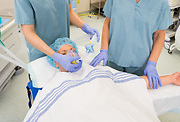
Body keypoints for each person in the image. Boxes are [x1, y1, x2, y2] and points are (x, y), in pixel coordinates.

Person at [90, 0, 173, 89]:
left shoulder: (160, 1)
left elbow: (159, 35)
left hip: (140, 62)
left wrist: (152, 63)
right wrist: (104, 49)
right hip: (113, 57)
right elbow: (107, 24)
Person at [47, 37, 180, 90]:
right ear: (55, 61)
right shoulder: (55, 83)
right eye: (63, 54)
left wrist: (171, 78)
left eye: (72, 50)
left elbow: (131, 81)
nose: (70, 55)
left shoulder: (93, 69)